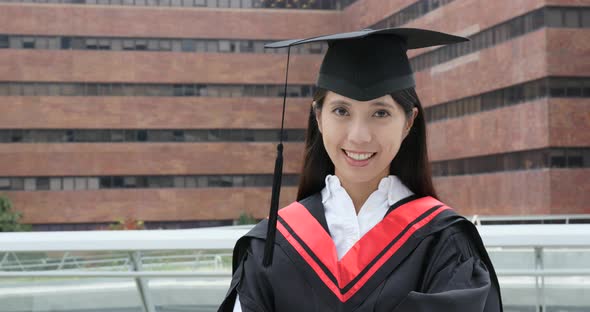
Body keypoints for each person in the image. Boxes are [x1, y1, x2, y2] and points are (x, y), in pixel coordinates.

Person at [218, 27, 503, 312]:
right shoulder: (273, 243)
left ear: (408, 122)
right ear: (318, 117)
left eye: (380, 113)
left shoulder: (445, 243)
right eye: (341, 111)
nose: (359, 136)